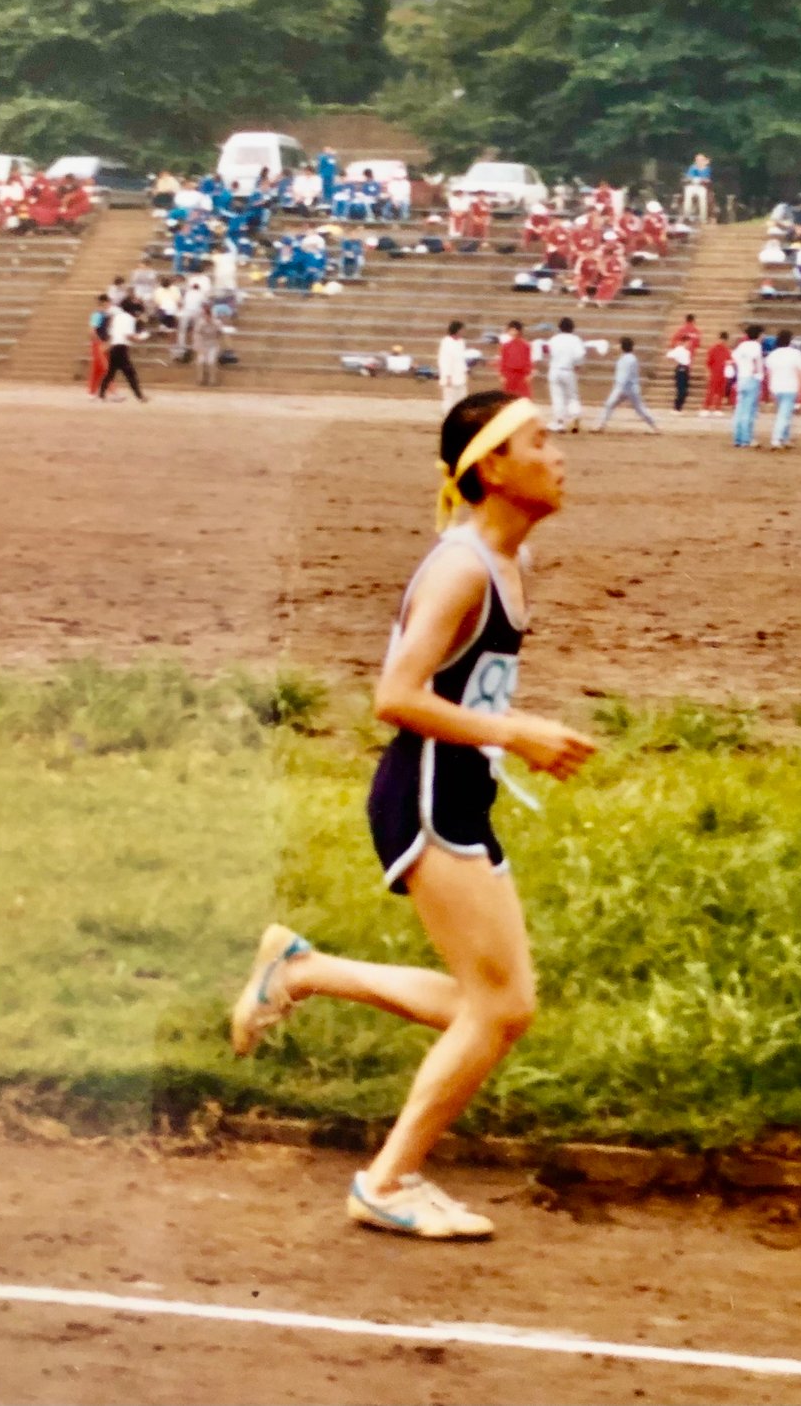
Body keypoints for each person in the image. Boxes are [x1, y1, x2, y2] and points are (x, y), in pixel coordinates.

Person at [230, 392, 597, 1240]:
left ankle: (301, 970)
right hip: (426, 797)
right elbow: (394, 696)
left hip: (459, 790)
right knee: (501, 1009)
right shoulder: (461, 566)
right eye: (540, 442)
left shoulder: (508, 561)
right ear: (492, 467)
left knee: (492, 1003)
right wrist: (517, 732)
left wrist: (502, 741)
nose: (561, 455)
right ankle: (388, 1182)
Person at [595, 337, 660, 434]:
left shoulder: (629, 359)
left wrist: (618, 389)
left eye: (619, 344)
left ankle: (655, 427)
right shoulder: (628, 358)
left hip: (627, 388)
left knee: (636, 408)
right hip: (628, 388)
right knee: (636, 408)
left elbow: (624, 376)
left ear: (622, 346)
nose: (617, 346)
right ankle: (600, 426)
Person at [764, 328, 801, 450]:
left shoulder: (773, 355)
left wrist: (769, 389)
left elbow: (769, 374)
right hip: (790, 387)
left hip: (776, 387)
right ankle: (776, 439)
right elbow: (799, 374)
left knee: (784, 414)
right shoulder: (796, 354)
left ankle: (785, 437)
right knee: (784, 415)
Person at [98, 301, 148, 403]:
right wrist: (140, 338)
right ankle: (140, 396)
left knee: (110, 373)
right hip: (122, 348)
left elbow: (112, 333)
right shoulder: (129, 319)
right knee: (130, 374)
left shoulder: (117, 317)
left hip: (114, 347)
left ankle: (101, 394)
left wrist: (107, 345)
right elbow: (128, 335)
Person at [546, 317, 586, 433]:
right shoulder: (576, 339)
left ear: (560, 328)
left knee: (557, 397)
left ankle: (559, 423)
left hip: (555, 370)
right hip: (569, 370)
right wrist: (577, 365)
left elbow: (549, 352)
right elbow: (580, 355)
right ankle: (575, 415)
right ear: (572, 328)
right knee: (572, 396)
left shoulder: (554, 339)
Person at [730, 324, 764, 448]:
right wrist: (757, 373)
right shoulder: (756, 346)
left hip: (742, 378)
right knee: (749, 411)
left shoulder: (742, 345)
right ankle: (746, 438)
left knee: (740, 409)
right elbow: (755, 361)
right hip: (752, 378)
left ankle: (737, 438)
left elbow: (734, 359)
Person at [667, 314, 701, 413]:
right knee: (683, 383)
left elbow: (673, 342)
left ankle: (678, 406)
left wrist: (677, 349)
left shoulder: (681, 331)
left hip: (682, 359)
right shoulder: (696, 331)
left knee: (682, 384)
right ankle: (677, 406)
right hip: (689, 357)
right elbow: (698, 343)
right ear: (693, 320)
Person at [190, 302, 225, 388]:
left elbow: (220, 333)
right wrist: (198, 347)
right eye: (206, 316)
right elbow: (196, 335)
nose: (208, 318)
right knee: (200, 362)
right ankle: (200, 380)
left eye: (209, 316)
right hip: (202, 344)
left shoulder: (217, 323)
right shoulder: (200, 323)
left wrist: (219, 339)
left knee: (211, 362)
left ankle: (212, 381)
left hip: (213, 344)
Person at [438, 320, 469, 413]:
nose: (463, 332)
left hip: (460, 373)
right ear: (457, 330)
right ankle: (447, 414)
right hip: (450, 374)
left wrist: (465, 371)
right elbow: (444, 360)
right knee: (449, 397)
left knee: (462, 396)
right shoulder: (446, 342)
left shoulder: (462, 342)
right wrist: (447, 376)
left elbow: (462, 358)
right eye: (462, 330)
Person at [497, 321, 533, 399]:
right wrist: (502, 375)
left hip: (521, 375)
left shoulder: (525, 345)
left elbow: (528, 360)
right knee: (508, 397)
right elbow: (503, 361)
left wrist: (529, 373)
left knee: (522, 397)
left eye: (513, 330)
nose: (511, 332)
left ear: (519, 331)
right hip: (509, 374)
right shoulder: (506, 346)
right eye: (510, 330)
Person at [702, 331, 732, 417]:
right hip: (714, 373)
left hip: (723, 374)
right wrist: (707, 372)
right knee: (711, 391)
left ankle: (718, 408)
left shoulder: (727, 351)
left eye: (724, 340)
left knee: (721, 392)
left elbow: (729, 360)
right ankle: (706, 408)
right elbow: (708, 362)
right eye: (721, 339)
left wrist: (729, 363)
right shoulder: (713, 349)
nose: (722, 341)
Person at [88, 293, 111, 399]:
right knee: (106, 368)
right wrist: (99, 343)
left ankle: (92, 392)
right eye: (108, 302)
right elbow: (92, 331)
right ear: (104, 303)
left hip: (102, 343)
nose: (109, 304)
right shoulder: (97, 315)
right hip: (98, 344)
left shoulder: (104, 315)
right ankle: (112, 392)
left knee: (97, 369)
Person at [682, 153, 712, 224]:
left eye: (701, 159)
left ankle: (703, 218)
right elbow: (688, 177)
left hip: (701, 187)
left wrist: (702, 180)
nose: (699, 161)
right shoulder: (693, 167)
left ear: (704, 160)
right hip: (692, 185)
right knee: (687, 194)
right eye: (697, 160)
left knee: (703, 197)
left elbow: (707, 179)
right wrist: (691, 179)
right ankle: (687, 216)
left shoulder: (706, 169)